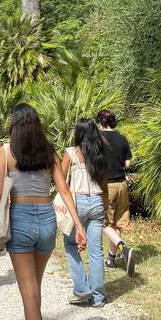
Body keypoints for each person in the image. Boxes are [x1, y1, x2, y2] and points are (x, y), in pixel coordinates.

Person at [0, 104, 86, 320]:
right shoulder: (49, 151)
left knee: (29, 292)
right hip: (46, 219)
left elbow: (0, 193)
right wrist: (79, 225)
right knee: (35, 286)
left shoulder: (5, 151)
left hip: (20, 218)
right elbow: (63, 190)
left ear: (14, 124)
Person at [62, 119, 109, 308]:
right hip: (97, 201)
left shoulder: (70, 153)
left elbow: (61, 182)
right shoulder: (101, 154)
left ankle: (82, 288)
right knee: (96, 250)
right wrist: (104, 207)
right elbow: (104, 185)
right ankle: (98, 297)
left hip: (77, 202)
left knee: (70, 243)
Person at [97, 109, 136, 275]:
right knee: (118, 223)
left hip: (106, 186)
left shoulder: (97, 139)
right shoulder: (122, 139)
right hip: (121, 185)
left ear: (101, 122)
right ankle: (111, 259)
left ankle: (123, 248)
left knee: (102, 222)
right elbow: (128, 164)